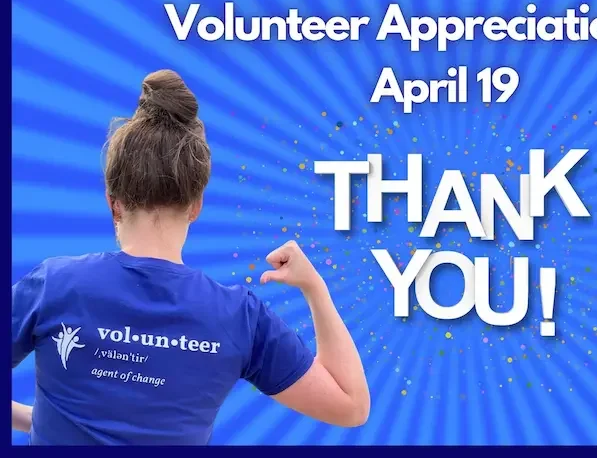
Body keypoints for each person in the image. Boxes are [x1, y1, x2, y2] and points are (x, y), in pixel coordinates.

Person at [11, 70, 370, 445]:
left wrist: (44, 423)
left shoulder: (56, 286)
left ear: (113, 203)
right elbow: (351, 406)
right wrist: (315, 288)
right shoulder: (238, 318)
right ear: (196, 205)